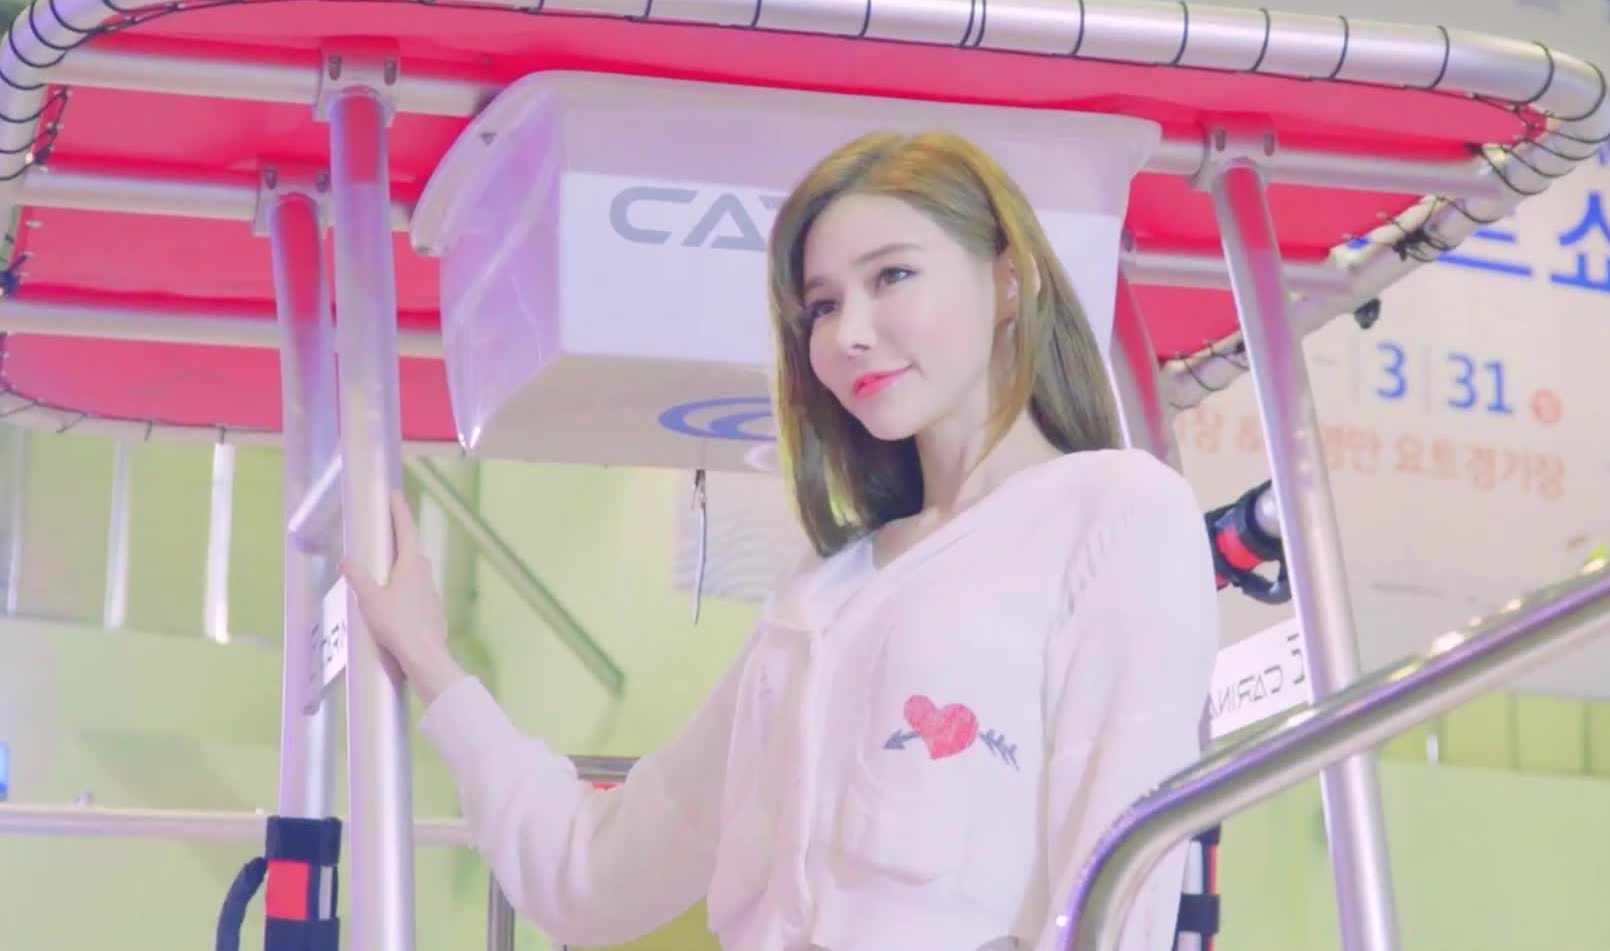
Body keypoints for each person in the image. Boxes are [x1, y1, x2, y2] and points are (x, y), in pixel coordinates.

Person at [342, 130, 1221, 951]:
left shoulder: (1115, 511)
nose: (849, 334)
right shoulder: (824, 594)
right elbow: (597, 872)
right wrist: (430, 660)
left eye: (892, 276)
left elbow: (1121, 888)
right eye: (823, 305)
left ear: (1008, 280)